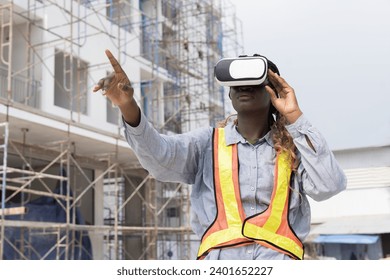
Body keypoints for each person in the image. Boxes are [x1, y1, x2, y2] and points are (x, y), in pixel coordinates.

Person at [93, 49, 347, 260]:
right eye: (237, 82)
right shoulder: (206, 143)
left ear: (275, 92)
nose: (244, 87)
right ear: (229, 92)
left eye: (254, 81)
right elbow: (160, 160)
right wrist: (128, 106)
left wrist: (295, 118)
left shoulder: (295, 147)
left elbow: (329, 186)